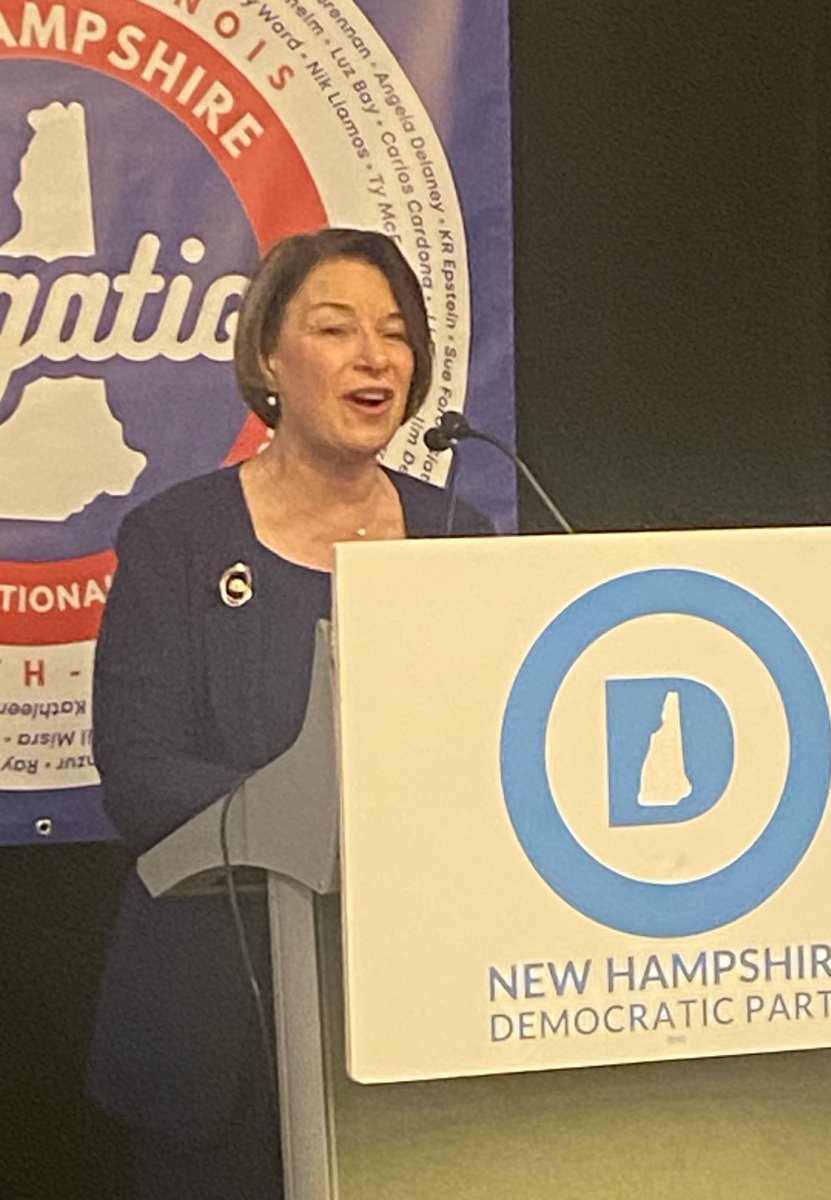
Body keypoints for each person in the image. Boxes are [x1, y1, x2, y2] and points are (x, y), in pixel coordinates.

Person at [87, 228, 494, 1199]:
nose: (374, 357)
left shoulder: (454, 533)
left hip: (413, 1004)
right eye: (337, 328)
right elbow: (140, 776)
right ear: (269, 356)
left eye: (394, 334)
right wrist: (328, 814)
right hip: (215, 1021)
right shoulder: (176, 538)